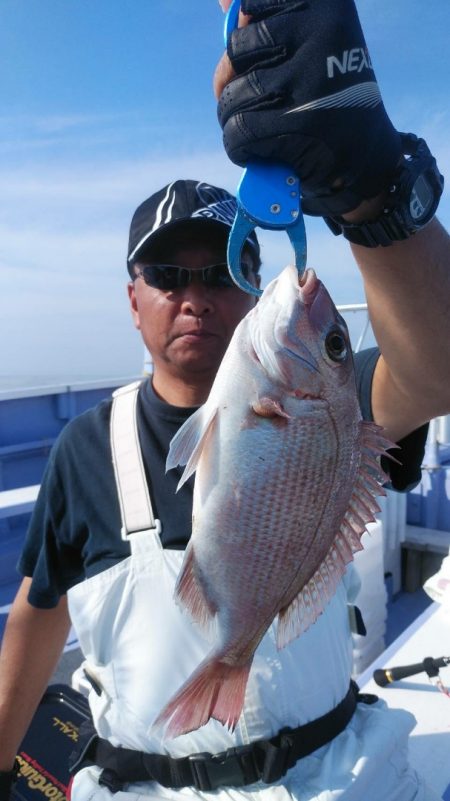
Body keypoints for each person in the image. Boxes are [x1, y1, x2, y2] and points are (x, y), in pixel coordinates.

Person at [1, 2, 449, 800]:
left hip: (330, 778)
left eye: (221, 271)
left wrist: (372, 187)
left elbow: (438, 367)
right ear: (131, 299)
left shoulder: (336, 402)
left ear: (250, 287)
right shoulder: (85, 448)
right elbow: (39, 610)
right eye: (168, 276)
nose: (195, 296)